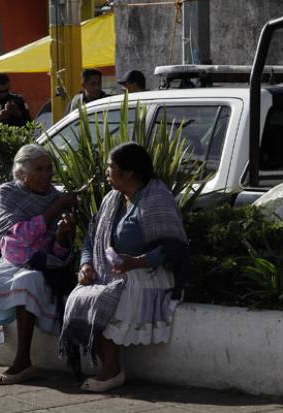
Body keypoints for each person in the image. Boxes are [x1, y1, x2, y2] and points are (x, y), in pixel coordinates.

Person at [59, 142, 189, 392]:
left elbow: (174, 248)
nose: (106, 172)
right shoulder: (112, 199)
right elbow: (91, 236)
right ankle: (109, 365)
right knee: (79, 296)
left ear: (130, 173)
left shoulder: (157, 199)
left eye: (111, 167)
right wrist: (86, 264)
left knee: (108, 295)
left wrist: (137, 262)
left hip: (149, 273)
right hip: (112, 271)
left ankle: (112, 369)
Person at [0, 144, 77, 386]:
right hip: (12, 259)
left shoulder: (58, 197)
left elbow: (60, 252)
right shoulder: (8, 193)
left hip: (42, 265)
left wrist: (61, 234)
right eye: (39, 169)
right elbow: (17, 236)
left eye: (49, 169)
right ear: (22, 172)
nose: (47, 175)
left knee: (27, 281)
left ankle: (23, 360)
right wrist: (54, 209)